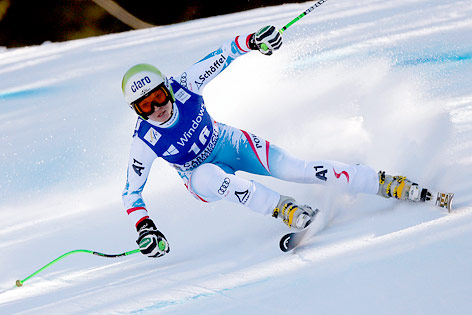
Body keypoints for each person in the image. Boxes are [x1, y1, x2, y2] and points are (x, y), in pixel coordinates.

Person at [121, 26, 423, 258]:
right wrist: (146, 227)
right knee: (212, 176)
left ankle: (379, 182)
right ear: (136, 110)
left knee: (297, 169)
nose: (156, 109)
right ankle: (286, 210)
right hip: (199, 179)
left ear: (167, 89)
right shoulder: (144, 142)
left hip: (228, 142)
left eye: (158, 97)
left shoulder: (186, 84)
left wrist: (254, 41)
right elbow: (131, 193)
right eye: (144, 106)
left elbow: (224, 54)